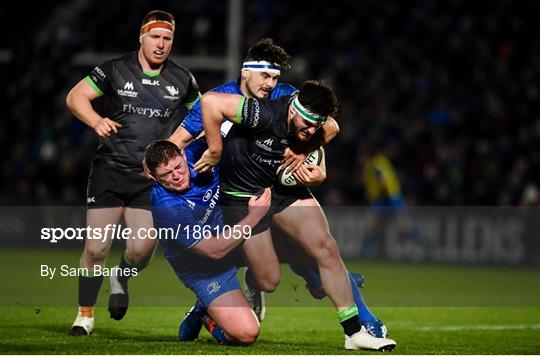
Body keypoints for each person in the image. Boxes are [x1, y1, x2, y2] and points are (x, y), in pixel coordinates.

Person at [170, 38, 386, 340]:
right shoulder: (221, 98)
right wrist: (187, 170)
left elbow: (321, 126)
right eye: (266, 76)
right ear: (246, 72)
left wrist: (314, 161)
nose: (271, 84)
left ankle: (362, 324)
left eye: (275, 77)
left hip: (277, 187)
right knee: (269, 273)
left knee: (321, 247)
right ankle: (212, 300)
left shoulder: (286, 96)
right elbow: (174, 145)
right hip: (226, 193)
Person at [198, 80, 396, 350]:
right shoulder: (263, 113)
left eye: (317, 125)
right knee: (269, 280)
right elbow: (211, 103)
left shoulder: (313, 125)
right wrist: (215, 149)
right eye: (308, 124)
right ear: (293, 110)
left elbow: (333, 127)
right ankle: (239, 280)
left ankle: (353, 333)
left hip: (280, 190)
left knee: (325, 246)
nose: (312, 131)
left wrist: (305, 151)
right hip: (243, 197)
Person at [65, 10, 200, 336]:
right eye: (155, 37)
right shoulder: (114, 69)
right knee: (96, 249)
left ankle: (120, 276)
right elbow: (75, 97)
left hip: (149, 179)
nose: (161, 44)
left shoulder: (182, 78)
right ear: (142, 37)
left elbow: (202, 116)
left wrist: (182, 146)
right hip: (110, 170)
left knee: (140, 251)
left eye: (167, 38)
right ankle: (85, 315)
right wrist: (95, 120)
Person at [145, 140, 270, 345]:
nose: (176, 176)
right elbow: (214, 251)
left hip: (231, 238)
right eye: (166, 175)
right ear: (152, 176)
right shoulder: (167, 208)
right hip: (204, 269)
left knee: (272, 274)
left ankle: (321, 282)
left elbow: (219, 121)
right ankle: (204, 313)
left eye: (178, 167)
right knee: (246, 333)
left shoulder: (199, 154)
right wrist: (254, 218)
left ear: (184, 156)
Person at [362, 149, 421, 256]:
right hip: (390, 196)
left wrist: (374, 194)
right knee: (375, 225)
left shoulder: (373, 164)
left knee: (398, 227)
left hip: (388, 197)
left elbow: (381, 179)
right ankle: (365, 251)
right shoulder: (381, 162)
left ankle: (420, 241)